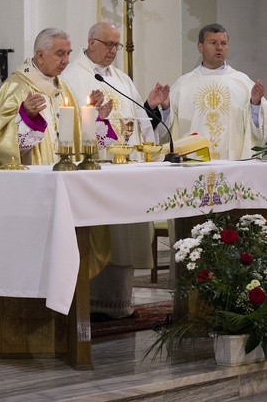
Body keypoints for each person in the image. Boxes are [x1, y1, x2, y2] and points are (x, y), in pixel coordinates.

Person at [0, 27, 116, 279]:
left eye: (68, 53)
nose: (66, 60)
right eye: (59, 54)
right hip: (32, 190)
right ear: (39, 55)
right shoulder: (16, 87)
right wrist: (26, 117)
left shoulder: (62, 89)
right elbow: (1, 146)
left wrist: (94, 117)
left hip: (66, 182)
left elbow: (78, 139)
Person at [62, 21, 167, 321]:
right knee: (99, 234)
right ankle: (91, 301)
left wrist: (149, 106)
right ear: (90, 42)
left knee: (125, 234)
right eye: (107, 44)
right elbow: (66, 126)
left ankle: (120, 302)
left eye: (116, 46)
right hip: (94, 171)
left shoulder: (121, 79)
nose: (112, 51)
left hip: (124, 171)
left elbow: (136, 123)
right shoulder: (72, 77)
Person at [161, 23, 267, 160]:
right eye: (213, 43)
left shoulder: (241, 82)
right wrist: (166, 108)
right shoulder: (184, 84)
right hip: (192, 162)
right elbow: (167, 127)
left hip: (232, 162)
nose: (219, 47)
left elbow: (261, 128)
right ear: (200, 47)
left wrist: (255, 104)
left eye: (223, 43)